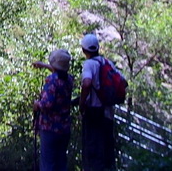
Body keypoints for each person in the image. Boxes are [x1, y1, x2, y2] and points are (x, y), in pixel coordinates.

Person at [33, 49, 74, 171]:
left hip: (50, 127)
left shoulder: (51, 80)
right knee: (61, 163)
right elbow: (59, 73)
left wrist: (37, 104)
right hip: (64, 127)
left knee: (48, 164)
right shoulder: (69, 79)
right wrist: (44, 66)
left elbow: (47, 104)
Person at [79, 33, 116, 171]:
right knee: (106, 151)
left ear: (84, 50)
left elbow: (87, 83)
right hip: (107, 112)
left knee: (92, 150)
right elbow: (123, 83)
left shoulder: (89, 64)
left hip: (93, 112)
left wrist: (82, 103)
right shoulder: (107, 62)